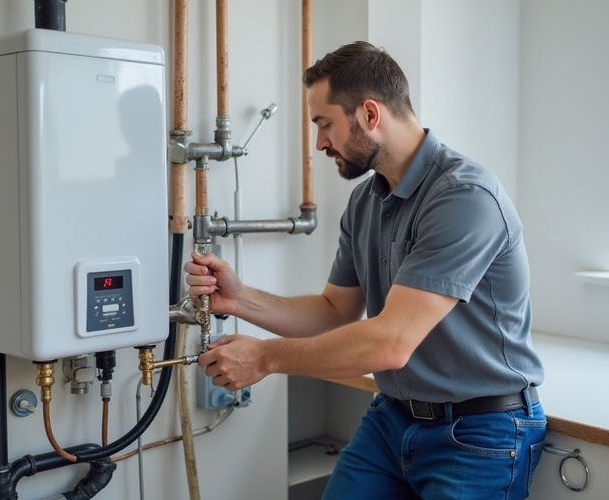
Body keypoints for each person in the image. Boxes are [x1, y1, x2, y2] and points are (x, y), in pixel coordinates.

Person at [185, 41, 545, 499]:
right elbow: (336, 310)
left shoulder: (463, 198)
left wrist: (264, 357)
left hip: (479, 430)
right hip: (392, 417)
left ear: (370, 114)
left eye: (324, 124)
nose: (318, 143)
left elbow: (390, 342)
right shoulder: (365, 201)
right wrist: (240, 299)